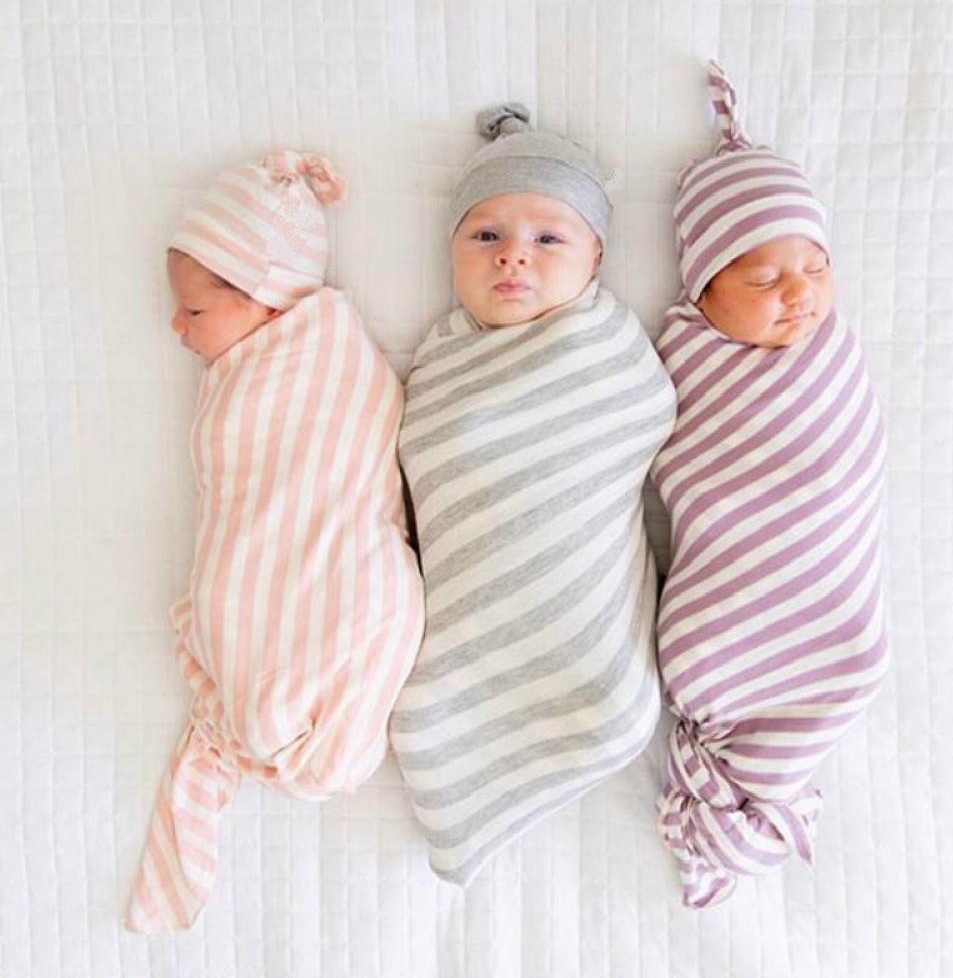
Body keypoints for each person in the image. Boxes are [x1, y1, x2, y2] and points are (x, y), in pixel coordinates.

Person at [126, 151, 425, 932]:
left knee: (321, 596)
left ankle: (284, 705)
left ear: (260, 299)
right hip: (269, 563)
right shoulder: (249, 367)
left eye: (193, 311)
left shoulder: (327, 357)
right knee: (240, 611)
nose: (176, 328)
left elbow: (334, 473)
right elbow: (243, 494)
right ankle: (272, 706)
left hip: (340, 562)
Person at [390, 105, 677, 885]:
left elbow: (643, 416)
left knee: (605, 700)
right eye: (485, 235)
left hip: (579, 623)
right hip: (472, 610)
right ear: (450, 252)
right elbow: (430, 457)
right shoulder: (441, 363)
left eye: (549, 239)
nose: (513, 255)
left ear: (597, 257)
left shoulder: (605, 346)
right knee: (425, 718)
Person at [652, 62, 889, 908]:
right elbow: (686, 467)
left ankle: (749, 794)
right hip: (731, 584)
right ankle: (741, 793)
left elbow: (851, 458)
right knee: (717, 656)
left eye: (816, 268)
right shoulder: (684, 357)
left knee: (855, 659)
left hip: (827, 575)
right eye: (762, 279)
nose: (799, 296)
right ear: (702, 288)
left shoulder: (832, 353)